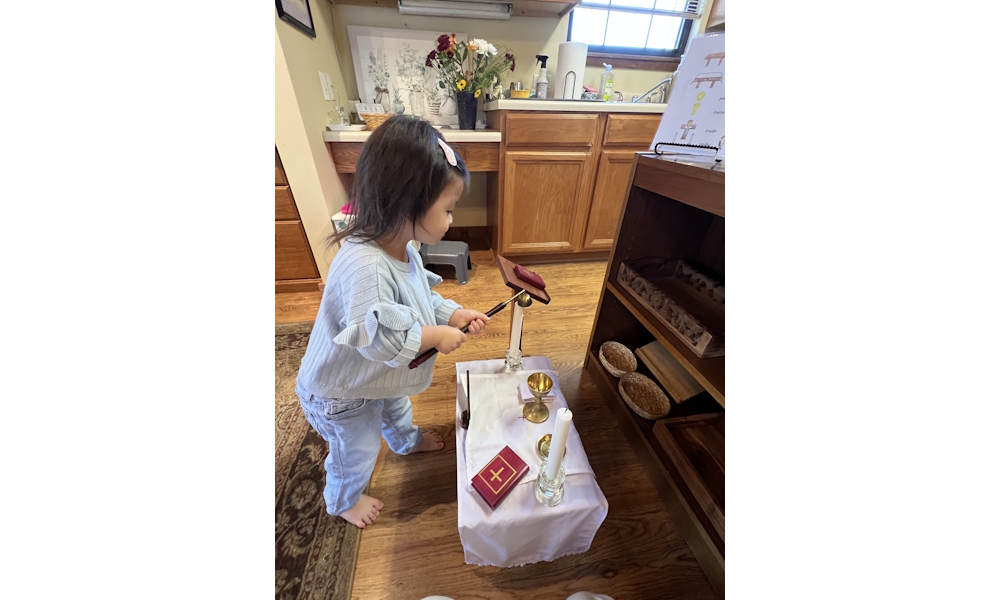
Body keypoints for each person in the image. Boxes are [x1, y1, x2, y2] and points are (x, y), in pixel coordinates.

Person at [295, 116, 490, 529]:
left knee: (396, 402)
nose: (452, 219)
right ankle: (343, 500)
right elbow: (382, 341)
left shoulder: (404, 247)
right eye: (448, 209)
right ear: (408, 202)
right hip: (341, 390)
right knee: (357, 450)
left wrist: (451, 314)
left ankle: (404, 440)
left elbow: (417, 299)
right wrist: (436, 336)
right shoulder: (366, 266)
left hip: (374, 378)